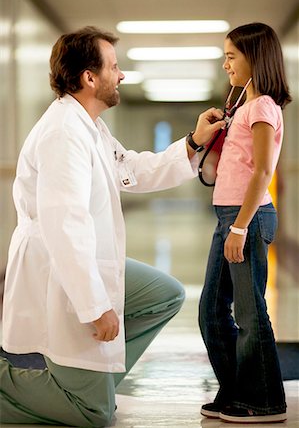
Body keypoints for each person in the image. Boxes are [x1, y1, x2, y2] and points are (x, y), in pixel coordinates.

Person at [0, 26, 225, 427]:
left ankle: (94, 384)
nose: (120, 75)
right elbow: (64, 225)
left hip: (86, 257)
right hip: (59, 266)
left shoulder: (89, 126)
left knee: (166, 294)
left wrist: (193, 143)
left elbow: (132, 169)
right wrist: (94, 305)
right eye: (115, 67)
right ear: (89, 77)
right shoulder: (63, 132)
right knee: (92, 415)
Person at [199, 22, 292, 424]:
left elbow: (262, 172)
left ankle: (267, 400)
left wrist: (239, 227)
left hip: (246, 217)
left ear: (254, 58)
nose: (225, 65)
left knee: (251, 314)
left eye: (231, 56)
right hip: (230, 215)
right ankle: (237, 390)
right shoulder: (242, 107)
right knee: (211, 311)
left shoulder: (263, 107)